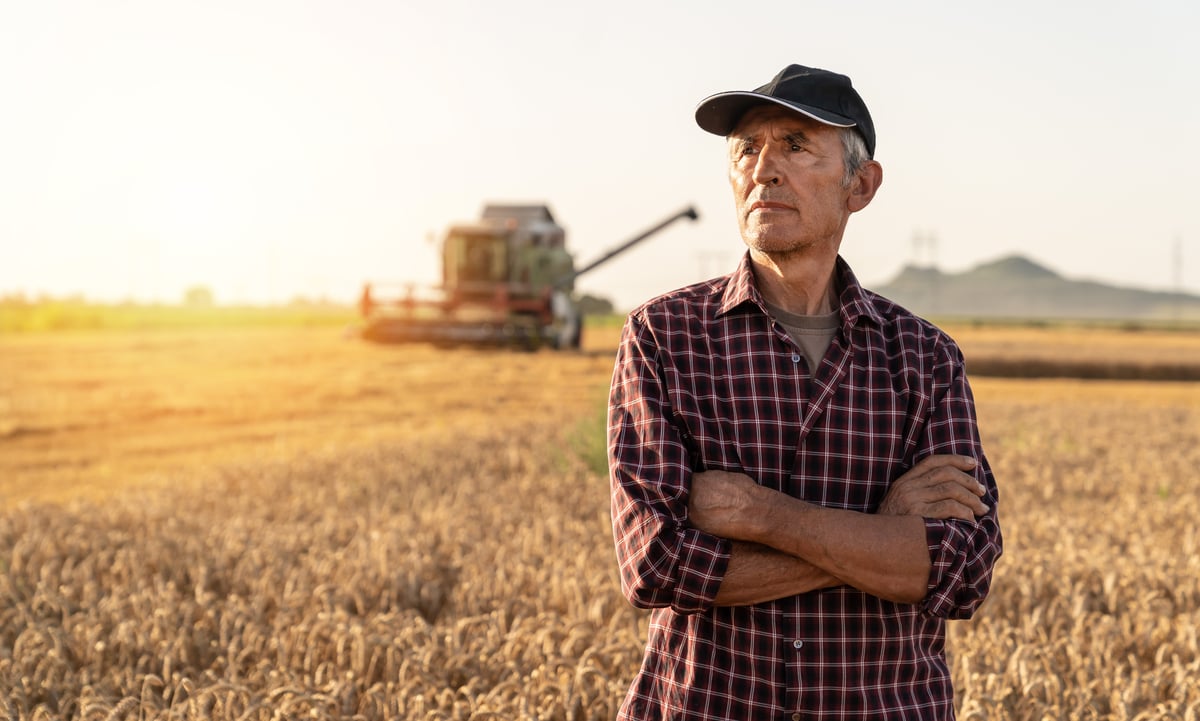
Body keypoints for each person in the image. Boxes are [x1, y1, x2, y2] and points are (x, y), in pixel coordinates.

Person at [607, 64, 1003, 720]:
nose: (764, 168)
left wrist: (763, 515)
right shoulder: (664, 337)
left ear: (862, 184)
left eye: (794, 145)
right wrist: (884, 532)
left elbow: (959, 572)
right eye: (746, 149)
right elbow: (657, 562)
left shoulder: (925, 358)